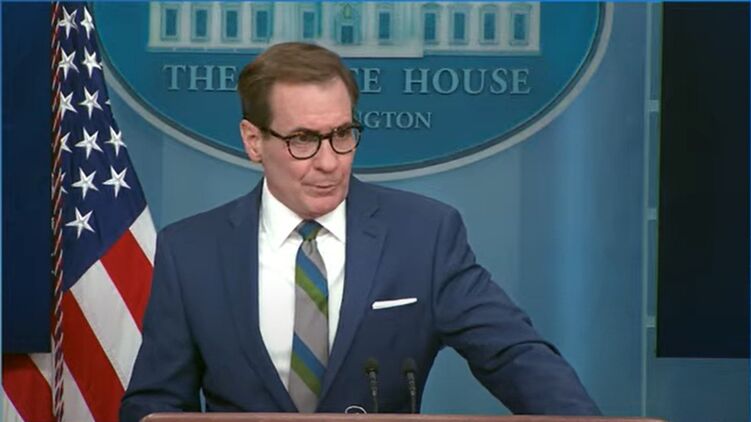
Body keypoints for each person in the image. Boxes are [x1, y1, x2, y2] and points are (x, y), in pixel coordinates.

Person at [120, 42, 600, 422]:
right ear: (253, 141)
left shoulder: (424, 235)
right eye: (303, 140)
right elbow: (156, 404)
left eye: (342, 135)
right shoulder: (192, 252)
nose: (329, 162)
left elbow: (514, 355)